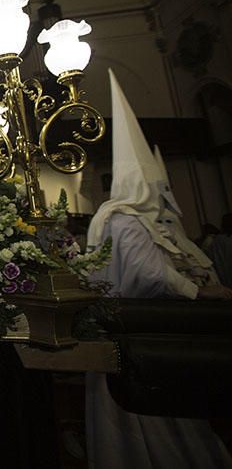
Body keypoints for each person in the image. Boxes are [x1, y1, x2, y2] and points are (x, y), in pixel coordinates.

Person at [85, 70, 232, 469]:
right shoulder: (124, 220)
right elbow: (148, 274)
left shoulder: (136, 220)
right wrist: (197, 292)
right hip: (137, 340)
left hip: (152, 335)